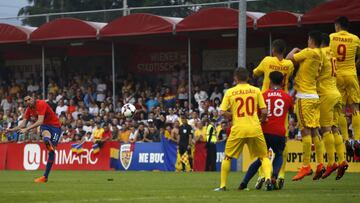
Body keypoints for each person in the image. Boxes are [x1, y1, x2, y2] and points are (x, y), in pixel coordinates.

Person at [214, 68, 272, 191]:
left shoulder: (230, 92)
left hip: (238, 128)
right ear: (248, 78)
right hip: (254, 128)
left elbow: (222, 111)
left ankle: (223, 185)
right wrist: (261, 119)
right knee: (264, 156)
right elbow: (265, 111)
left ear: (235, 78)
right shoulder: (256, 90)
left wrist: (231, 116)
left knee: (227, 157)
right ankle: (268, 178)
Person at [239, 71, 293, 190]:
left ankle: (244, 182)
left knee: (261, 159)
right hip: (279, 132)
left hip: (264, 131)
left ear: (270, 81)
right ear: (282, 81)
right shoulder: (287, 97)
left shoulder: (263, 95)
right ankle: (274, 176)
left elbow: (259, 113)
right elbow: (291, 111)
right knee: (279, 154)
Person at [252, 39, 294, 188]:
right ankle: (281, 175)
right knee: (282, 143)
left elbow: (255, 73)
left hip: (265, 103)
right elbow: (288, 61)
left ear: (273, 50)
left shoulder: (267, 60)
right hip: (283, 103)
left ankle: (263, 175)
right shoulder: (289, 65)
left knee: (261, 143)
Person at [287, 30, 324, 181]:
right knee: (315, 132)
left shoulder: (308, 52)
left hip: (304, 96)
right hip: (315, 96)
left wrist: (296, 49)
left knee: (305, 132)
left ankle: (306, 166)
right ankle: (321, 164)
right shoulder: (321, 55)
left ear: (310, 40)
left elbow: (290, 58)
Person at [6, 95, 61, 183]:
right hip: (45, 126)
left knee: (51, 153)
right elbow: (23, 124)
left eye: (29, 99)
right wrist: (11, 130)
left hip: (55, 126)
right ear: (25, 103)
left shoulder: (41, 103)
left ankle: (45, 175)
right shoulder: (28, 110)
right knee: (45, 136)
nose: (28, 101)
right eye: (26, 100)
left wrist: (27, 129)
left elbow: (40, 121)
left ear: (33, 98)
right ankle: (45, 176)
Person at [319, 33, 349, 179]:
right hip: (337, 94)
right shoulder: (333, 55)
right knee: (335, 128)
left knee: (326, 128)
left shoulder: (320, 54)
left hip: (326, 95)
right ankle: (342, 160)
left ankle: (331, 162)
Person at [329, 16, 360, 155]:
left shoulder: (331, 37)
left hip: (337, 76)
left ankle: (346, 139)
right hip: (351, 75)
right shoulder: (355, 39)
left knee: (340, 110)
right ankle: (358, 139)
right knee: (355, 107)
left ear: (337, 25)